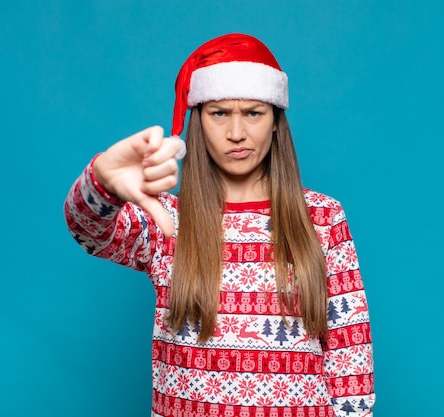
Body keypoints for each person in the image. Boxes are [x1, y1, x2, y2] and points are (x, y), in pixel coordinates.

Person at [64, 33, 375, 417]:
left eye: (254, 113)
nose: (236, 133)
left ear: (277, 121)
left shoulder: (323, 217)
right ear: (199, 121)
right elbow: (88, 230)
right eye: (219, 113)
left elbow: (350, 353)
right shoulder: (167, 220)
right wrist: (102, 183)